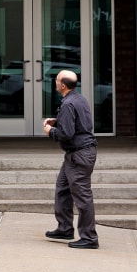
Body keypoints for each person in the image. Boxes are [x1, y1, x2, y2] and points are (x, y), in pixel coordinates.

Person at [42, 69, 99, 249]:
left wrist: (50, 131)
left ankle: (89, 238)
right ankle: (65, 228)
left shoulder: (68, 104)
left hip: (79, 155)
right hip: (76, 154)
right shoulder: (78, 99)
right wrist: (58, 121)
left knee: (82, 197)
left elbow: (66, 134)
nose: (55, 82)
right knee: (62, 189)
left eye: (57, 80)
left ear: (63, 85)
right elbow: (77, 123)